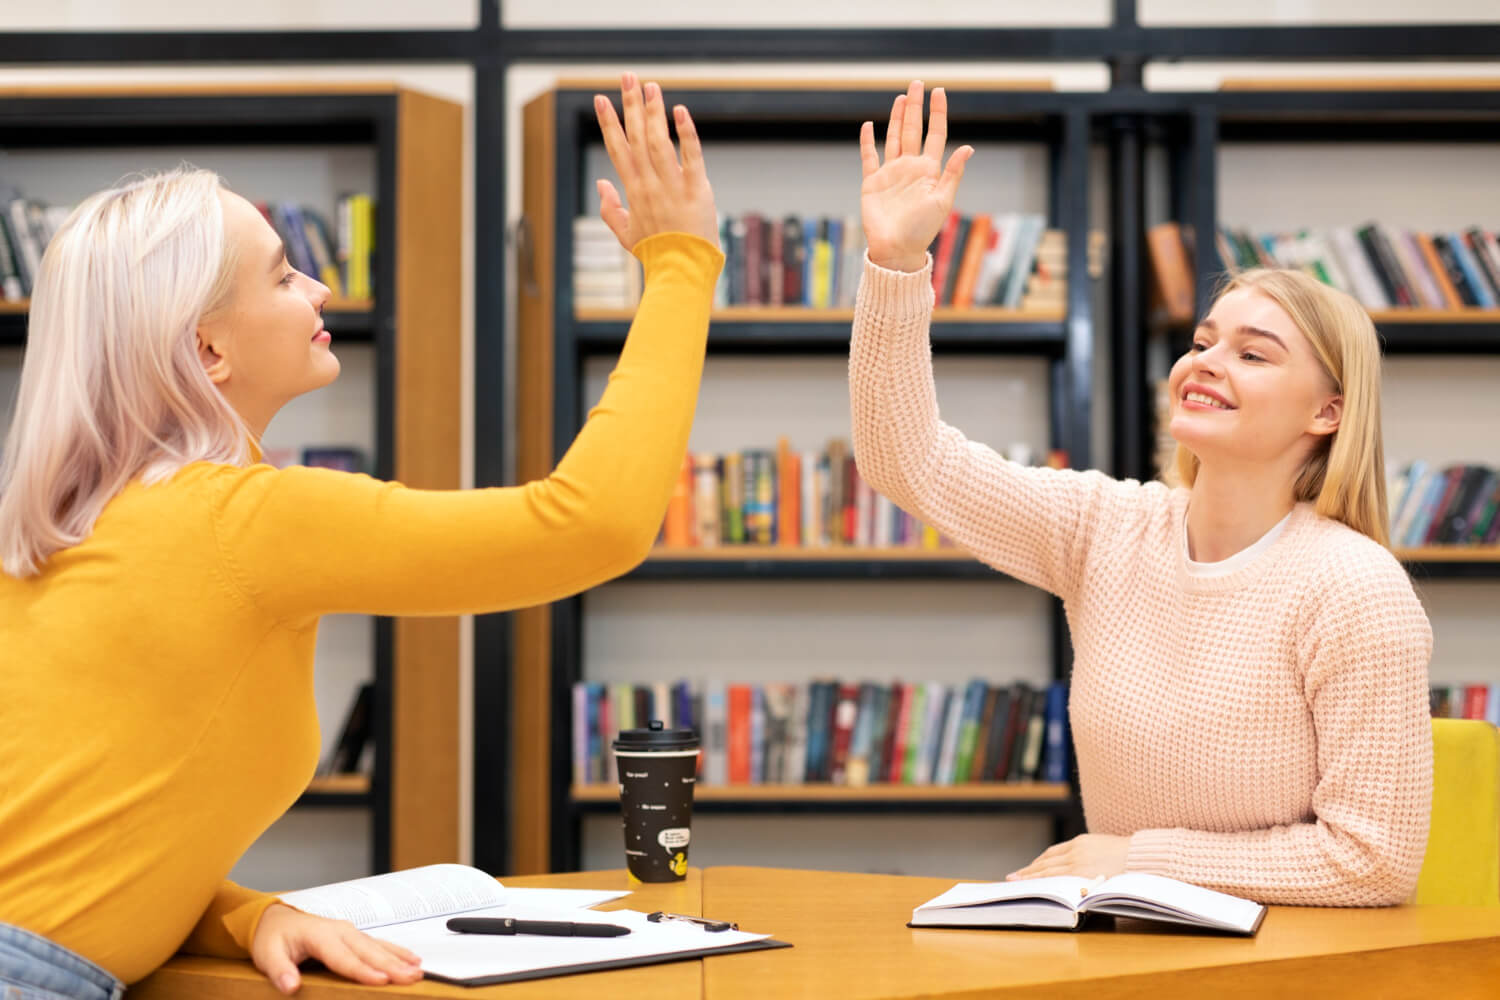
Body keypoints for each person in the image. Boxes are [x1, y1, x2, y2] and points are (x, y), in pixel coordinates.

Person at [0, 73, 720, 997]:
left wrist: (249, 912)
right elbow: (591, 526)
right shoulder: (242, 521)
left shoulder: (72, 529)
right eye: (283, 273)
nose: (320, 284)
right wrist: (682, 263)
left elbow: (83, 832)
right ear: (209, 350)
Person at [851, 82, 1432, 907]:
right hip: (1127, 948)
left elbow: (1372, 861)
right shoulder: (1107, 528)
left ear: (1328, 412)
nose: (1205, 363)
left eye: (1253, 354)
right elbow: (905, 462)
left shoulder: (1355, 588)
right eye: (1202, 342)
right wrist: (898, 264)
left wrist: (1136, 857)